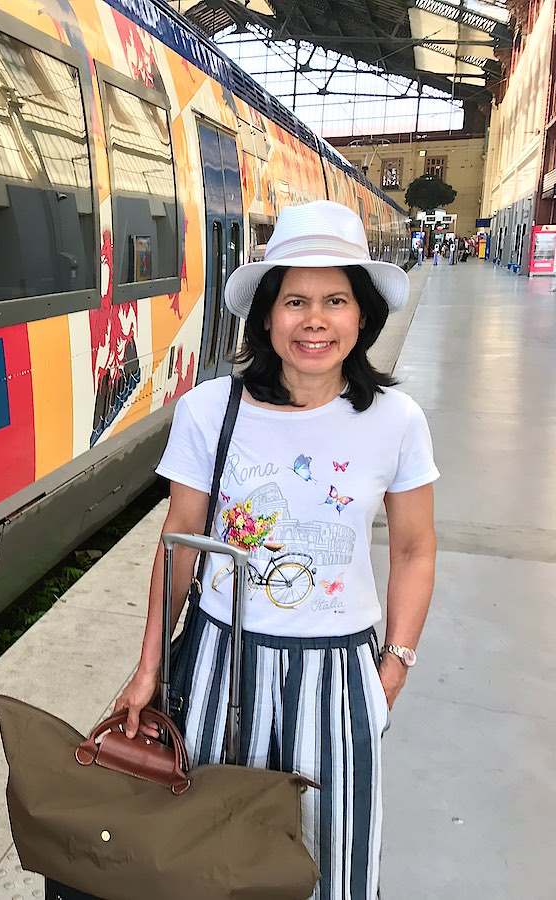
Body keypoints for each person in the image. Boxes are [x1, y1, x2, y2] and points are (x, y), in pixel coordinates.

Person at [115, 200, 438, 900]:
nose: (314, 320)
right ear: (266, 316)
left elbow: (415, 549)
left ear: (362, 316)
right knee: (207, 858)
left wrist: (394, 669)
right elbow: (178, 549)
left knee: (335, 862)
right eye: (295, 300)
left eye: (334, 300)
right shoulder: (212, 411)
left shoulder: (396, 422)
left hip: (339, 673)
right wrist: (148, 668)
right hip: (217, 664)